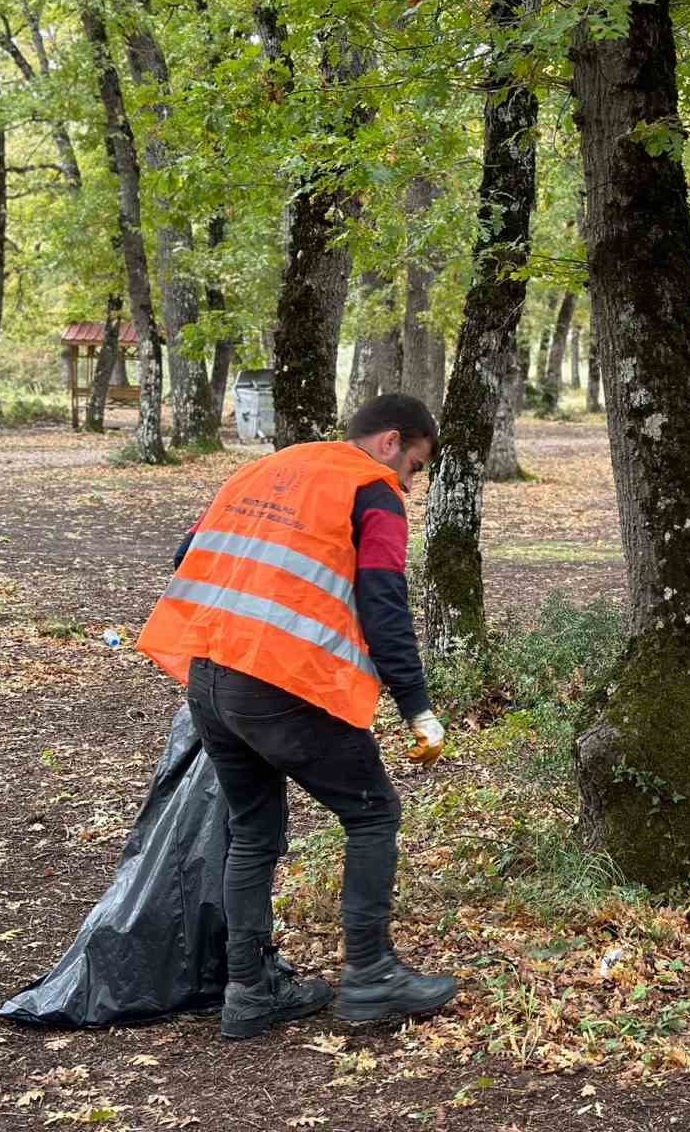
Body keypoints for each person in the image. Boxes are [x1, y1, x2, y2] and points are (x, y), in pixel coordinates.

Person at [136, 394, 459, 1039]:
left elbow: (186, 557)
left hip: (210, 677)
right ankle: (371, 976)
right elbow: (385, 606)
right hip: (283, 684)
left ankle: (248, 992)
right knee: (373, 812)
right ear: (392, 442)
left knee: (254, 831)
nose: (410, 485)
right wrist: (418, 707)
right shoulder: (373, 491)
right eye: (415, 468)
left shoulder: (269, 469)